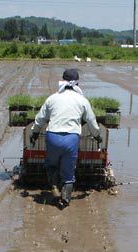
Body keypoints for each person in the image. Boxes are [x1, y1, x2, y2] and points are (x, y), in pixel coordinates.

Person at [30, 68, 102, 208]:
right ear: (77, 84)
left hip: (53, 137)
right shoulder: (82, 100)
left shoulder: (52, 98)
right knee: (68, 173)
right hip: (71, 139)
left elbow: (40, 119)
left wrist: (34, 132)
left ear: (62, 81)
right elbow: (91, 121)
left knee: (51, 165)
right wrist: (97, 135)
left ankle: (55, 187)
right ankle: (64, 200)